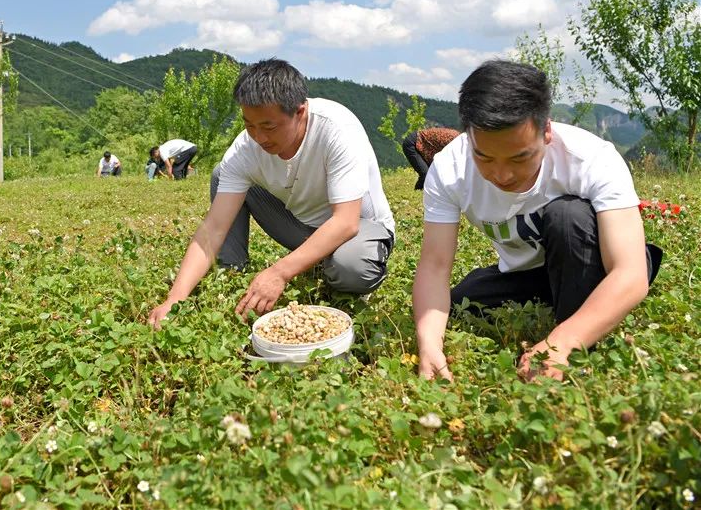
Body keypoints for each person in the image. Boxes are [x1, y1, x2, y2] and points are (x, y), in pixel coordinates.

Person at [412, 60, 663, 383]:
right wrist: (429, 344)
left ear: (546, 131)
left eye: (520, 157)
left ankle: (577, 339)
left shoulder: (591, 159)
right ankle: (567, 303)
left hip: (594, 260)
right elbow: (434, 266)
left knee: (567, 216)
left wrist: (562, 342)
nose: (501, 174)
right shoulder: (449, 170)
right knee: (462, 303)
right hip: (531, 273)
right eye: (484, 157)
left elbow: (630, 273)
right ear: (468, 135)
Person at [148, 59, 395, 328]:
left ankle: (331, 266)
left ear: (300, 112)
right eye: (249, 125)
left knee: (352, 269)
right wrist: (175, 298)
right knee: (223, 175)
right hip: (301, 227)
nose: (258, 137)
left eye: (269, 127)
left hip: (359, 228)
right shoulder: (244, 149)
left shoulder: (336, 129)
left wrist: (279, 272)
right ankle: (232, 274)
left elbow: (346, 222)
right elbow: (213, 228)